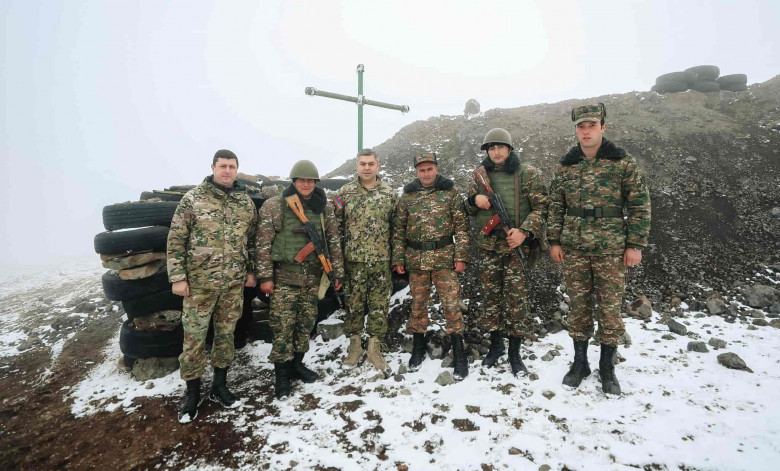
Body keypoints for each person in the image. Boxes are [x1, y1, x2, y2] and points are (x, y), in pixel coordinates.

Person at [548, 103, 651, 395]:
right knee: (578, 307)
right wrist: (554, 240)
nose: (586, 131)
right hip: (575, 248)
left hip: (611, 249)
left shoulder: (622, 162)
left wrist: (635, 244)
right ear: (576, 130)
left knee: (609, 309)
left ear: (602, 127)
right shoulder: (566, 165)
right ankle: (580, 363)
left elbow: (639, 204)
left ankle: (607, 367)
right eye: (581, 126)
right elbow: (556, 205)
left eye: (592, 125)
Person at [167, 149, 258, 424]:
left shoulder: (245, 203)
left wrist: (250, 271)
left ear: (237, 169)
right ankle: (192, 394)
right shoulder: (193, 199)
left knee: (226, 335)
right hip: (199, 286)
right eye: (223, 166)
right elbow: (176, 239)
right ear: (213, 168)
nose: (227, 171)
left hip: (232, 285)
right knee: (194, 339)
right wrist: (178, 277)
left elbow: (251, 241)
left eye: (232, 166)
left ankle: (219, 386)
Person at [256, 160, 344, 400]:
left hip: (312, 279)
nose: (306, 184)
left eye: (310, 181)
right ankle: (281, 375)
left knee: (305, 325)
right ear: (293, 181)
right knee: (283, 328)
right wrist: (265, 277)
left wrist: (337, 273)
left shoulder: (323, 207)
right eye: (301, 180)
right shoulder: (275, 206)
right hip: (284, 277)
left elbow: (333, 241)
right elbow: (262, 244)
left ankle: (297, 364)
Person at [466, 128, 548, 377]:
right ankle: (496, 346)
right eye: (491, 148)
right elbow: (467, 208)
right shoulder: (479, 176)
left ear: (509, 149)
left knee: (516, 301)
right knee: (491, 298)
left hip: (516, 247)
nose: (496, 152)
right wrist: (474, 200)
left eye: (500, 147)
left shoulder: (528, 173)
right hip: (489, 247)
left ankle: (514, 352)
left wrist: (524, 231)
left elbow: (542, 207)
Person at [392, 153, 470, 380]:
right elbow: (399, 230)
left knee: (451, 305)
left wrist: (461, 256)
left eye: (429, 169)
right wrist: (398, 259)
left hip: (444, 258)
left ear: (436, 169)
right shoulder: (407, 197)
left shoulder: (451, 193)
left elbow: (461, 227)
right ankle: (417, 348)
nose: (426, 174)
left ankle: (459, 352)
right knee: (418, 304)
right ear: (416, 172)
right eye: (421, 170)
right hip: (416, 260)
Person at [335, 149, 397, 376]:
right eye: (363, 164)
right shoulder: (344, 193)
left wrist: (396, 258)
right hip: (354, 261)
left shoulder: (390, 194)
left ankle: (374, 348)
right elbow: (336, 228)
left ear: (377, 166)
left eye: (371, 163)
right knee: (353, 303)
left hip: (381, 260)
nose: (367, 168)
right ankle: (355, 346)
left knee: (380, 304)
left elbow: (396, 229)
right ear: (357, 166)